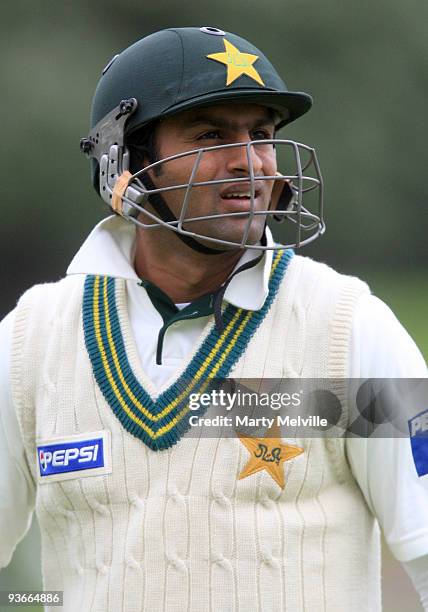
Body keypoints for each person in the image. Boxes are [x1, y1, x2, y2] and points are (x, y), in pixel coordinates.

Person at [0, 26, 427, 611]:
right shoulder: (31, 341)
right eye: (209, 135)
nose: (249, 162)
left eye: (262, 134)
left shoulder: (350, 327)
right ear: (126, 164)